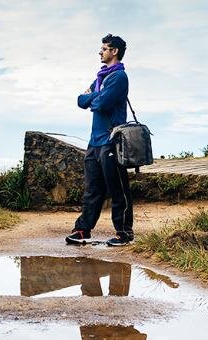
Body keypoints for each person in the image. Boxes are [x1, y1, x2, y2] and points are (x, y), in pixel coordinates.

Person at [65, 34, 134, 247]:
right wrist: (95, 96)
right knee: (92, 189)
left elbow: (101, 104)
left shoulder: (119, 77)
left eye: (104, 48)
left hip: (112, 140)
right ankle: (83, 230)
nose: (100, 51)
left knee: (117, 189)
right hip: (94, 142)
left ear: (114, 51)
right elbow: (80, 101)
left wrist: (93, 97)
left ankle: (124, 233)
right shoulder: (100, 78)